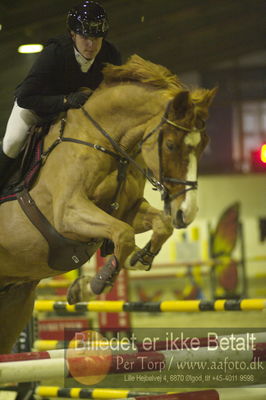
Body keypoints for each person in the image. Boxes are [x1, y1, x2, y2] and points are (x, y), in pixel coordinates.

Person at [0, 0, 121, 190]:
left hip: (75, 115)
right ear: (72, 34)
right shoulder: (55, 53)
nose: (91, 45)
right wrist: (65, 100)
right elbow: (25, 98)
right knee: (12, 142)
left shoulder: (111, 54)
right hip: (36, 110)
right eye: (85, 37)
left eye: (97, 38)